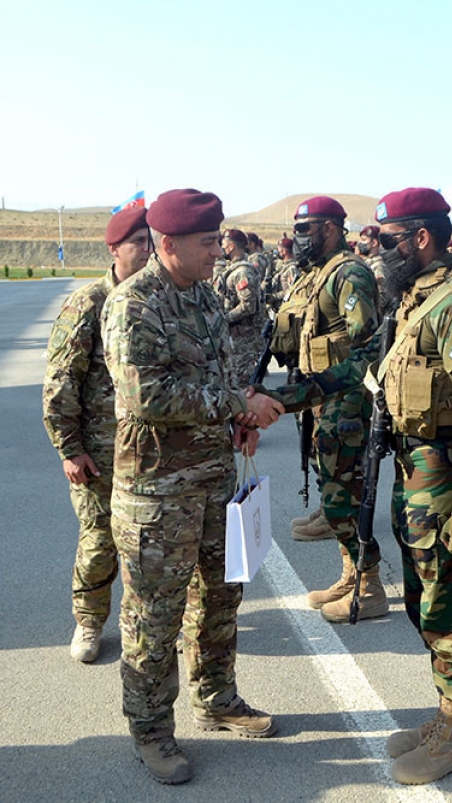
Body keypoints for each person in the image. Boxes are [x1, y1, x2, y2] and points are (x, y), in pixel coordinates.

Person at [254, 187, 452, 785]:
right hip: (416, 473)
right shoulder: (415, 302)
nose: (378, 249)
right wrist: (285, 399)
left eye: (388, 240)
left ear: (422, 238)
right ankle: (448, 714)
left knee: (447, 598)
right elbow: (362, 369)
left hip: (445, 478)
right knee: (422, 596)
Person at [101, 189, 285, 784]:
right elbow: (146, 397)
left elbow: (220, 371)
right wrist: (236, 401)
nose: (217, 252)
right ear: (168, 244)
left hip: (213, 481)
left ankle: (216, 697)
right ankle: (151, 729)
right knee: (155, 617)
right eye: (207, 243)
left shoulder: (205, 295)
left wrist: (239, 417)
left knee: (220, 597)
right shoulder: (133, 305)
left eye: (217, 240)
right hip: (156, 496)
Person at [43, 206, 151, 664]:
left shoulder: (155, 299)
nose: (146, 251)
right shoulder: (89, 302)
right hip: (99, 453)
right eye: (137, 243)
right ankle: (89, 620)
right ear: (114, 250)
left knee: (148, 541)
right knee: (99, 541)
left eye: (150, 242)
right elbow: (61, 379)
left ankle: (142, 622)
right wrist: (70, 449)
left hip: (147, 451)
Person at [272, 196, 387, 623]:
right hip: (324, 398)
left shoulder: (348, 273)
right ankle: (351, 575)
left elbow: (366, 347)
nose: (298, 237)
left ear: (331, 229)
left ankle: (369, 586)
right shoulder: (319, 273)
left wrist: (317, 389)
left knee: (343, 497)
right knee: (335, 490)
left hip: (345, 398)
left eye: (306, 229)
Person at [217, 228, 266, 386]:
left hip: (244, 339)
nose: (221, 248)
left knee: (243, 384)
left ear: (231, 246)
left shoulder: (243, 272)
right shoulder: (232, 269)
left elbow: (248, 306)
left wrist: (224, 318)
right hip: (234, 336)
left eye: (223, 245)